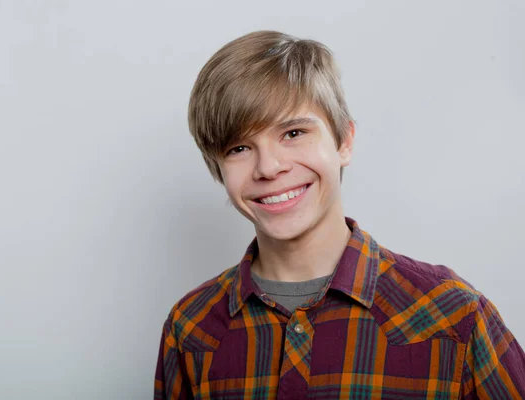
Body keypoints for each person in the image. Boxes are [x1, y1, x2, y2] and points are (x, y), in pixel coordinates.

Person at [153, 31, 525, 399]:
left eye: (294, 132)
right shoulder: (190, 329)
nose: (268, 167)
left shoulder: (454, 316)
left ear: (344, 141)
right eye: (239, 148)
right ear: (217, 168)